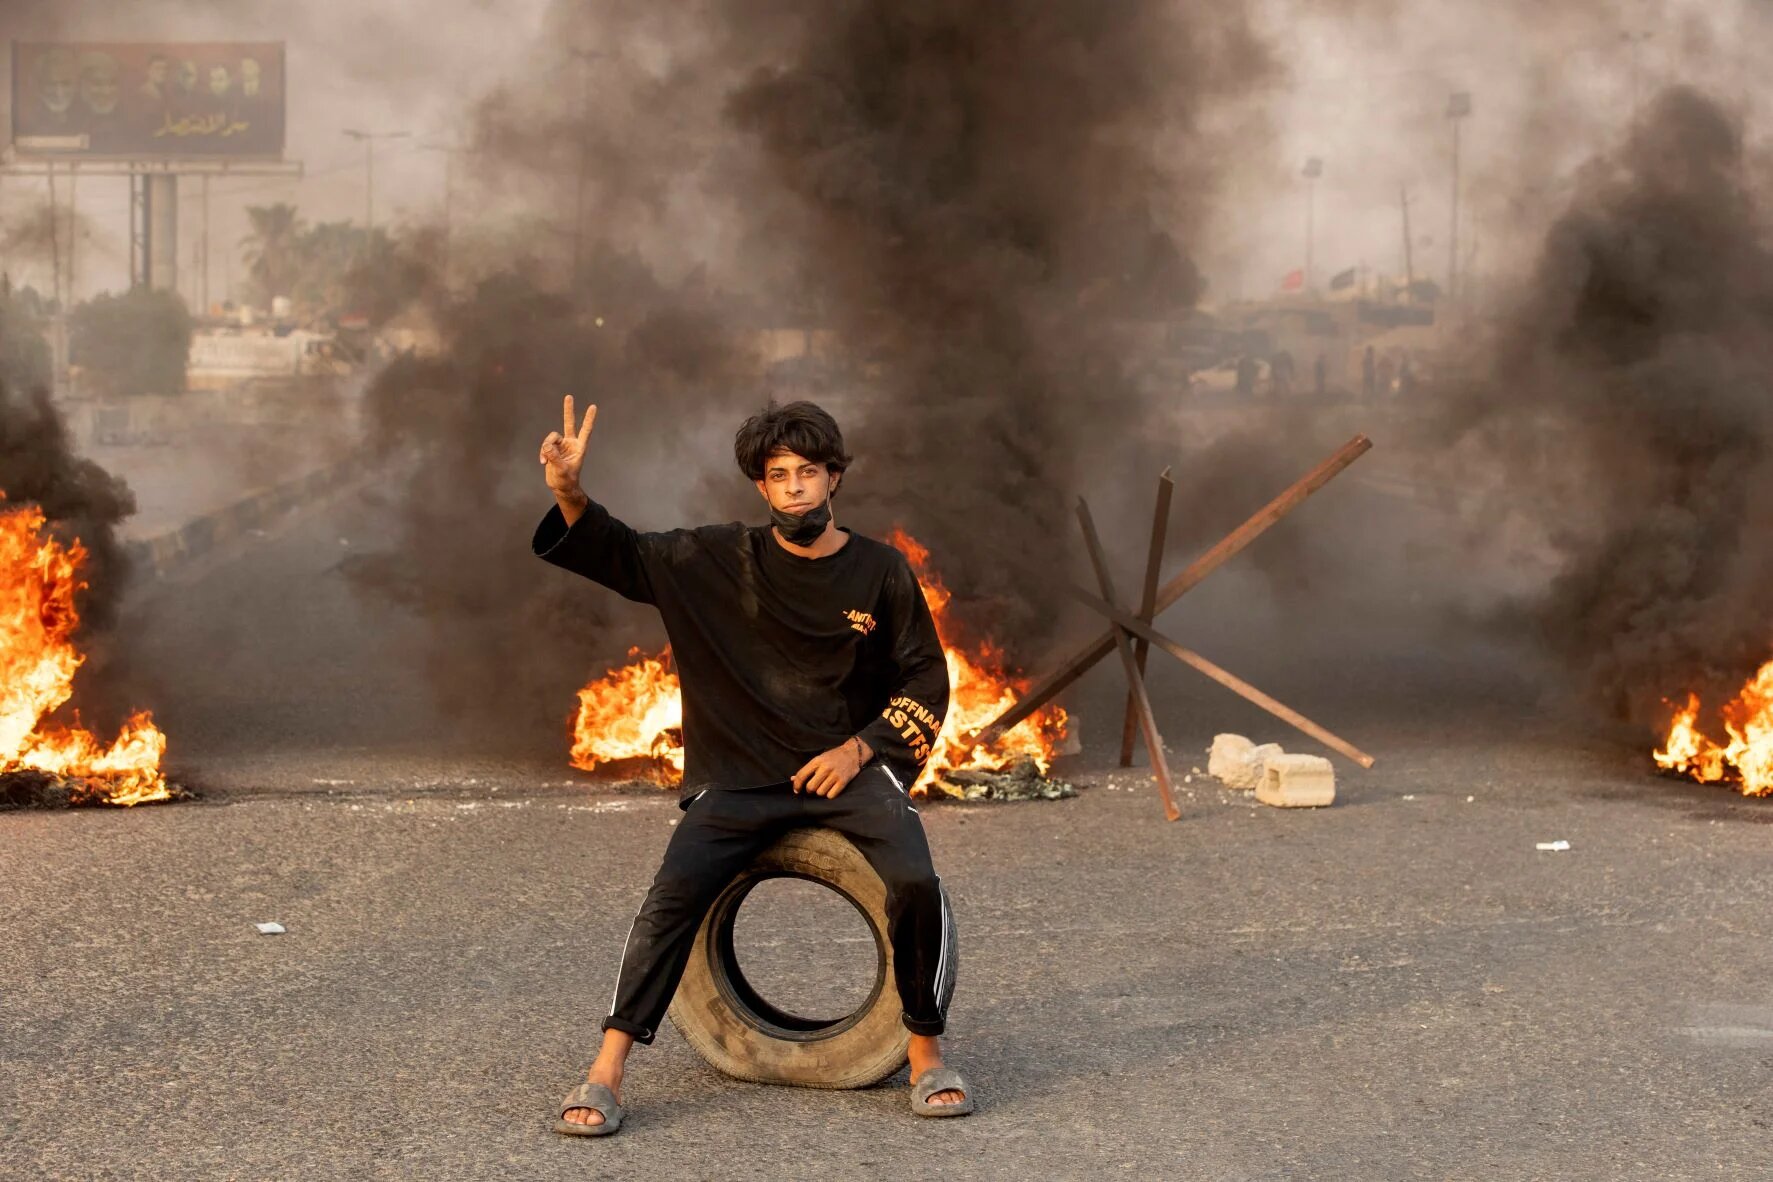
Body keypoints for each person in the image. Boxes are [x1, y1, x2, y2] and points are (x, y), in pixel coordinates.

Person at [535, 397, 973, 1136]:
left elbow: (925, 680)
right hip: (738, 777)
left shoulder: (881, 571)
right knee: (670, 898)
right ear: (761, 488)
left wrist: (858, 748)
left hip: (848, 776)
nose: (795, 487)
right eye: (778, 475)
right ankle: (606, 1069)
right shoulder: (713, 560)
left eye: (809, 471)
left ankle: (926, 1052)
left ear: (834, 478)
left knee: (913, 881)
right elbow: (620, 550)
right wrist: (568, 493)